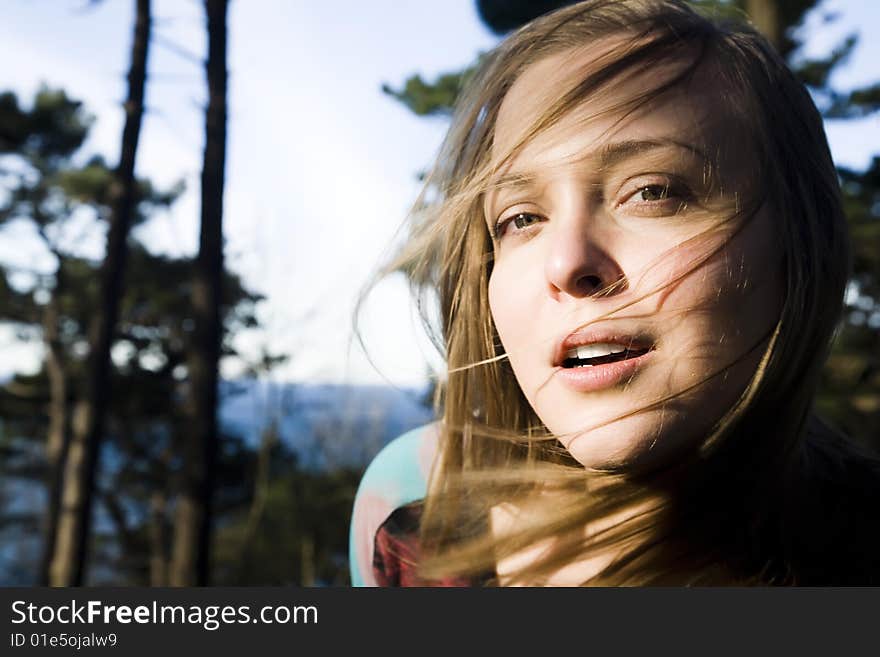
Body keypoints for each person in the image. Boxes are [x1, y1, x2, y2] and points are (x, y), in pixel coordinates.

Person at [349, 0, 880, 586]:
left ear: (798, 244)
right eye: (522, 218)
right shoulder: (414, 531)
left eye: (652, 191)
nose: (568, 261)